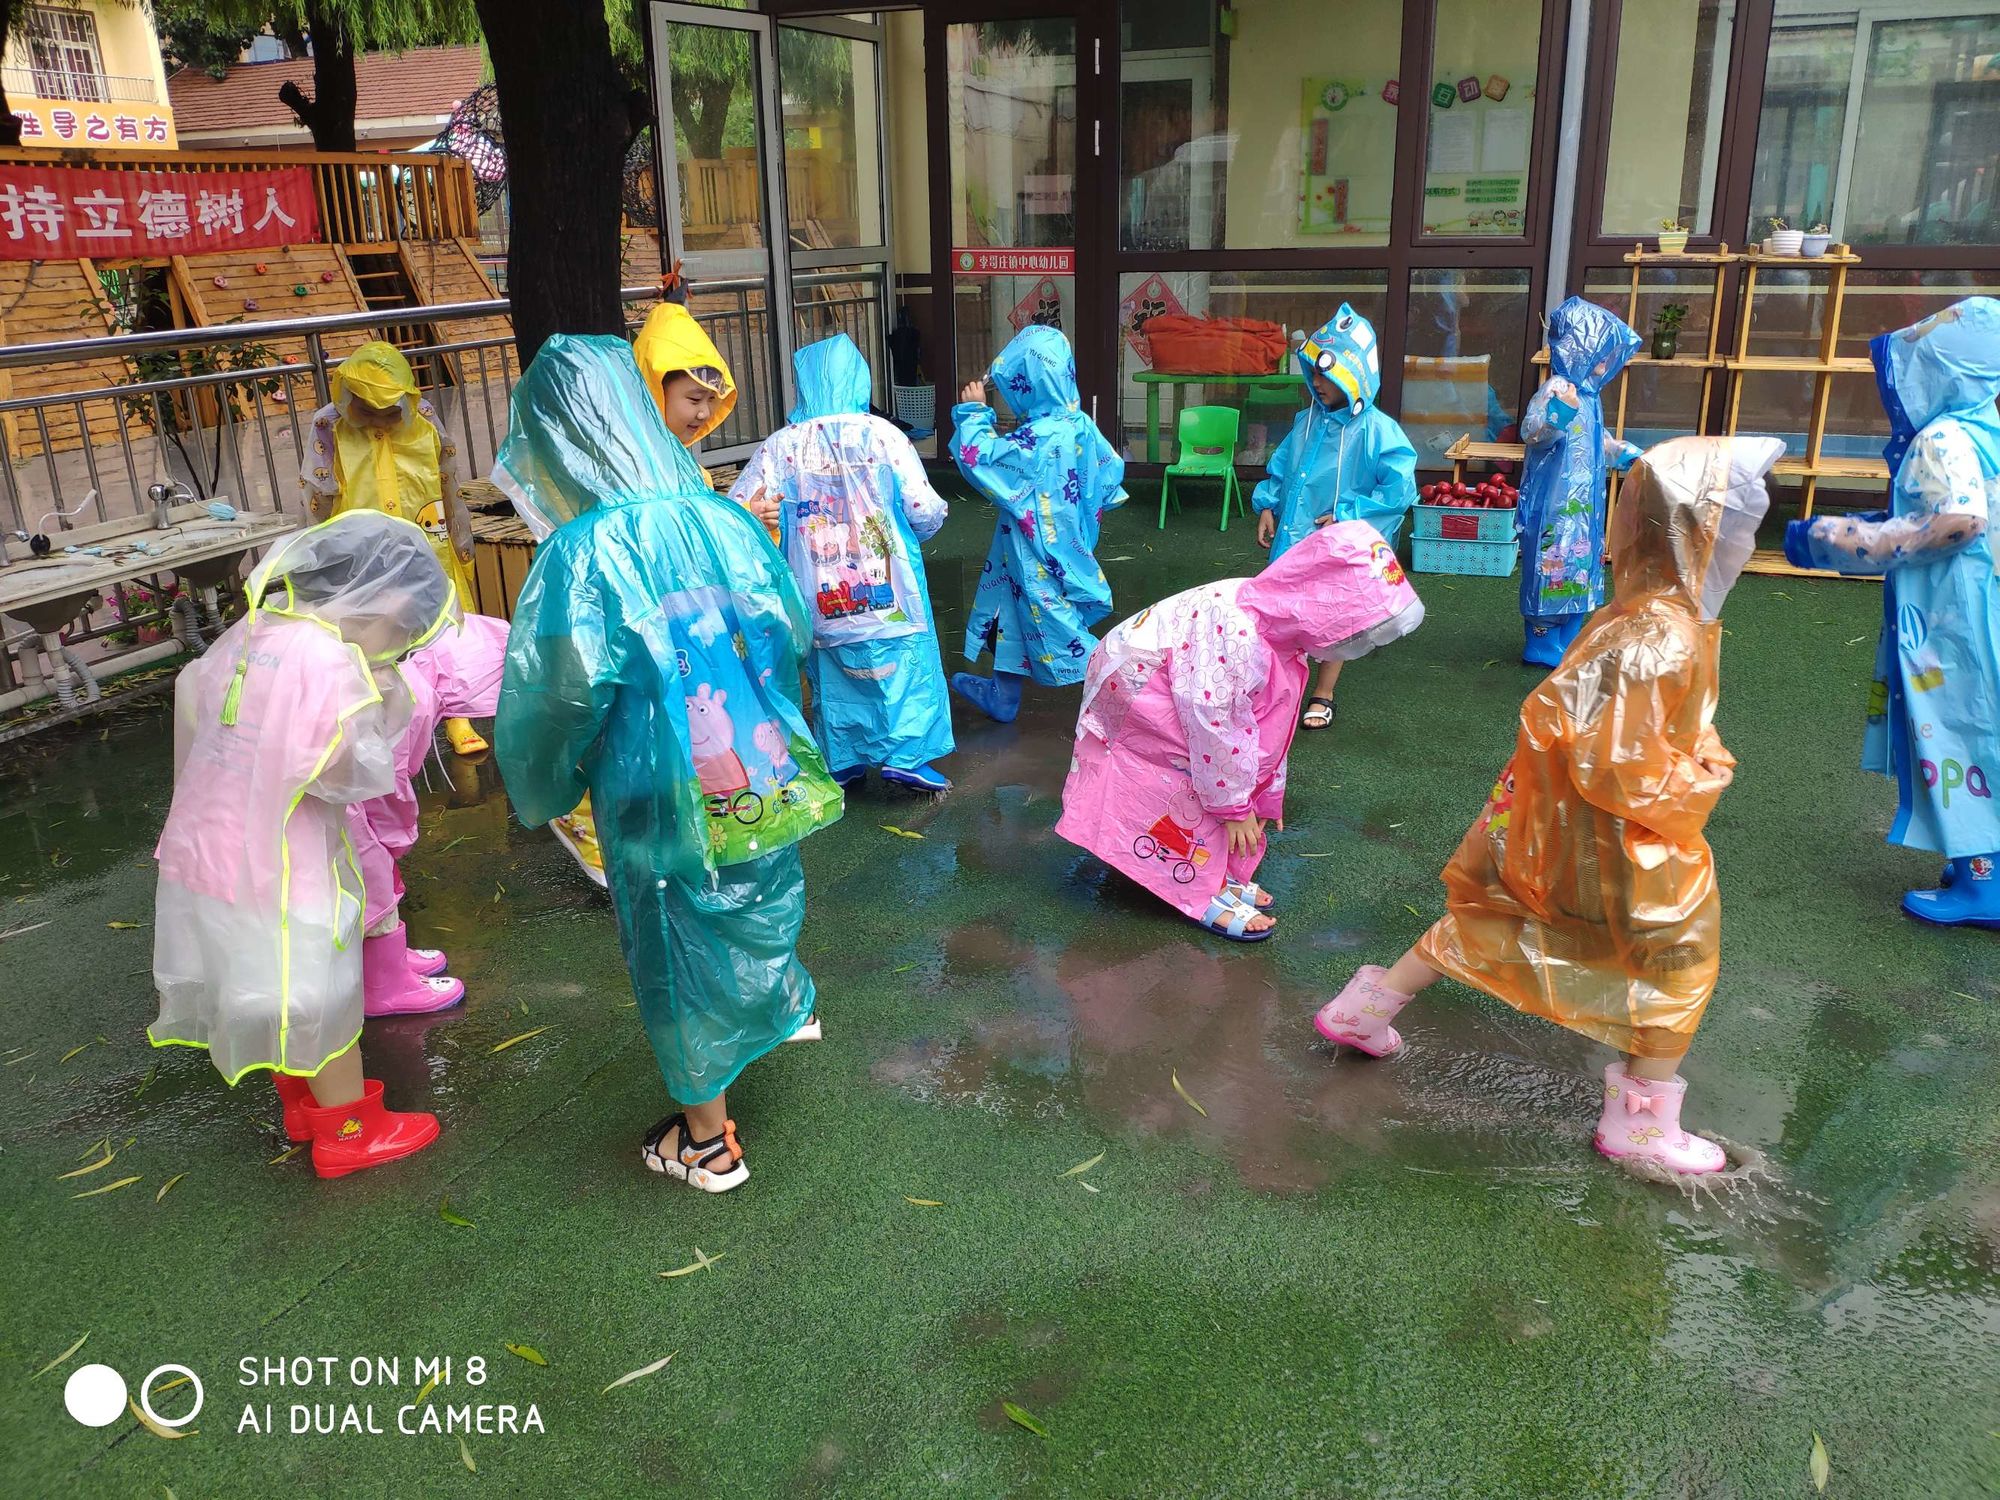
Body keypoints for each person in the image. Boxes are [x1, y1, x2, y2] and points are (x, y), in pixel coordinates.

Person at [1314, 436, 1784, 1176]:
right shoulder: (1663, 636)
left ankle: (1362, 1011)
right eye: (1736, 526)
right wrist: (1705, 773)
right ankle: (1642, 1121)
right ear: (1697, 534)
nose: (1745, 541)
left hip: (1547, 820)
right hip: (1624, 838)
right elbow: (1624, 766)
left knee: (1492, 918)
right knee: (1678, 959)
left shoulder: (1630, 617)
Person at [494, 336, 843, 1194]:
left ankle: (709, 1140)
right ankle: (771, 1013)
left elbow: (562, 692)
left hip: (655, 780)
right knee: (753, 890)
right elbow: (784, 625)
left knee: (676, 939)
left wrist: (547, 781)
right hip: (755, 761)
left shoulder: (583, 551)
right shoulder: (720, 517)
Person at [150, 510, 458, 1178]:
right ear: (382, 603)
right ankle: (351, 1133)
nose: (392, 649)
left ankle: (303, 1108)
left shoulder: (253, 631)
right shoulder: (326, 658)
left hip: (211, 844)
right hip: (284, 858)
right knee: (320, 999)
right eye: (398, 634)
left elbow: (197, 710)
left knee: (272, 989)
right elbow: (351, 773)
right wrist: (384, 697)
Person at [1057, 522, 1424, 940]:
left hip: (1176, 678)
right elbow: (1214, 725)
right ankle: (1194, 884)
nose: (1355, 644)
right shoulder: (1240, 637)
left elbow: (1264, 726)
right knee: (1185, 774)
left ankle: (1214, 869)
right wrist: (1234, 807)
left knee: (1224, 761)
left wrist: (1264, 794)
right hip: (1139, 689)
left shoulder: (1280, 623)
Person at [1784, 296, 2000, 929]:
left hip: (1948, 617)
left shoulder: (1943, 436)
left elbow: (1957, 522)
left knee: (1955, 730)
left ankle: (1984, 880)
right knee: (1980, 729)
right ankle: (1979, 866)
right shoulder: (1985, 422)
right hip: (1979, 604)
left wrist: (1843, 539)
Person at [730, 332, 955, 792]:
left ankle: (844, 758)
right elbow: (923, 509)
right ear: (859, 379)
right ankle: (907, 755)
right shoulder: (885, 436)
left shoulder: (780, 447)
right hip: (889, 586)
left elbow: (740, 509)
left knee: (833, 677)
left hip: (818, 594)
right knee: (902, 666)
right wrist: (916, 535)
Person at [302, 341, 486, 758]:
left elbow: (448, 478)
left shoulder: (424, 421)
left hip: (427, 541)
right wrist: (320, 554)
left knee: (440, 624)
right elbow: (318, 489)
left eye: (389, 410)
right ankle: (386, 722)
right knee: (373, 633)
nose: (379, 419)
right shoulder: (328, 426)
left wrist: (459, 537)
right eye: (367, 409)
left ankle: (458, 715)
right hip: (363, 550)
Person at [948, 324, 1127, 723]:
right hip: (1067, 540)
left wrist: (975, 413)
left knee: (1051, 617)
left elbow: (982, 460)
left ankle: (1121, 686)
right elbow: (1112, 476)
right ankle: (1002, 696)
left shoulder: (1040, 436)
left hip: (1035, 547)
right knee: (1012, 609)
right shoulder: (1079, 423)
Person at [1251, 305, 1418, 730]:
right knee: (1285, 610)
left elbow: (1399, 489)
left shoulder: (1378, 431)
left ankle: (1323, 693)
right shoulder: (1305, 423)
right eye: (1316, 374)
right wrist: (1268, 504)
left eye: (1330, 375)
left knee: (1332, 619)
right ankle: (1278, 687)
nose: (1320, 384)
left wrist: (1349, 516)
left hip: (1337, 545)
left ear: (1356, 376)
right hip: (1294, 535)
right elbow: (1283, 464)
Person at [347, 611, 511, 1015]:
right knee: (370, 879)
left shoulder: (406, 676)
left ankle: (389, 958)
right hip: (349, 805)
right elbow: (391, 785)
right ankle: (384, 986)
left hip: (345, 792)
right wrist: (398, 841)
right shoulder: (411, 698)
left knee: (371, 876)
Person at [1518, 297, 1643, 667]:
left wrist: (1629, 454)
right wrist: (1560, 413)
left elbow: (1598, 442)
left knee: (1580, 568)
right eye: (1600, 351)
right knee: (1550, 566)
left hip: (1584, 507)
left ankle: (1567, 637)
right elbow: (1533, 432)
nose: (1606, 362)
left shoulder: (1590, 396)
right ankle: (1540, 640)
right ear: (1579, 349)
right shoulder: (1558, 390)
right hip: (1554, 505)